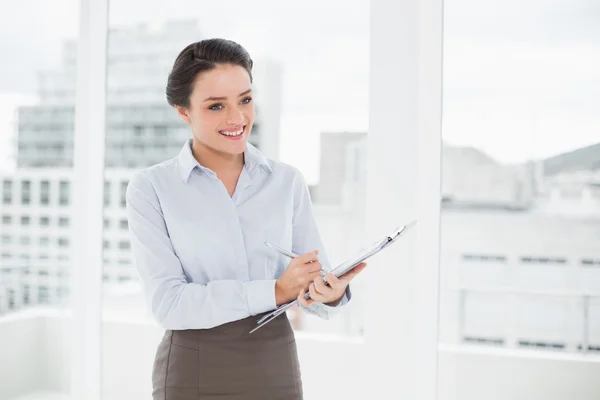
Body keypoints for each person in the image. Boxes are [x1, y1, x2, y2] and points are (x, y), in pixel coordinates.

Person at [125, 38, 367, 400]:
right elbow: (169, 304)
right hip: (193, 366)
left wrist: (328, 293)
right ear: (183, 111)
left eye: (245, 100)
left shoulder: (286, 182)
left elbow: (310, 279)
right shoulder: (152, 188)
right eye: (216, 106)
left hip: (273, 362)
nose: (237, 118)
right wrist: (275, 290)